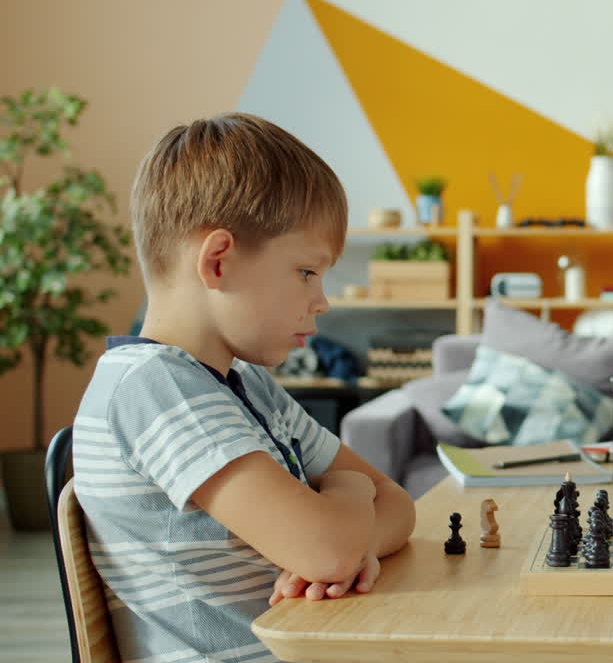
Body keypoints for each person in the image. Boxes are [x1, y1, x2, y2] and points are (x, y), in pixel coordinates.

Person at [72, 113, 417, 662]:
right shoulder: (153, 388)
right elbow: (331, 542)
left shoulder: (248, 384)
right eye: (307, 272)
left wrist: (355, 547)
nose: (322, 300)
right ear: (218, 260)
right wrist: (349, 501)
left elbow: (398, 505)